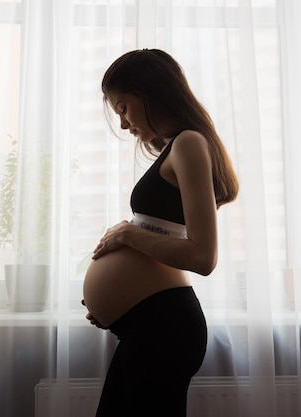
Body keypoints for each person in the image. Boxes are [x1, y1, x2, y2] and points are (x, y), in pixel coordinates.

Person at [81, 49, 239, 417]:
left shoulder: (188, 143)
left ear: (149, 92)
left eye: (123, 107)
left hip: (164, 329)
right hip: (147, 326)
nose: (123, 124)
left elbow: (202, 257)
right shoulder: (175, 147)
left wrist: (127, 235)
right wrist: (116, 305)